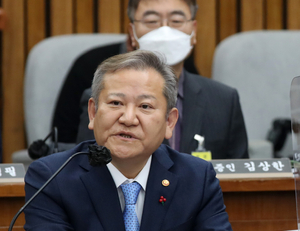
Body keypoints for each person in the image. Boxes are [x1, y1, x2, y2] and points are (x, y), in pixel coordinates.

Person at [24, 50, 243, 231]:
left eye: (145, 106)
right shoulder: (51, 176)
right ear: (93, 112)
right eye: (116, 103)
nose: (128, 118)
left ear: (170, 122)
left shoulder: (196, 176)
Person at [54, 0, 249, 159]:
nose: (165, 31)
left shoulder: (224, 100)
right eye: (152, 21)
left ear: (193, 31)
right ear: (132, 33)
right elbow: (86, 166)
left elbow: (241, 180)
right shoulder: (102, 96)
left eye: (176, 20)